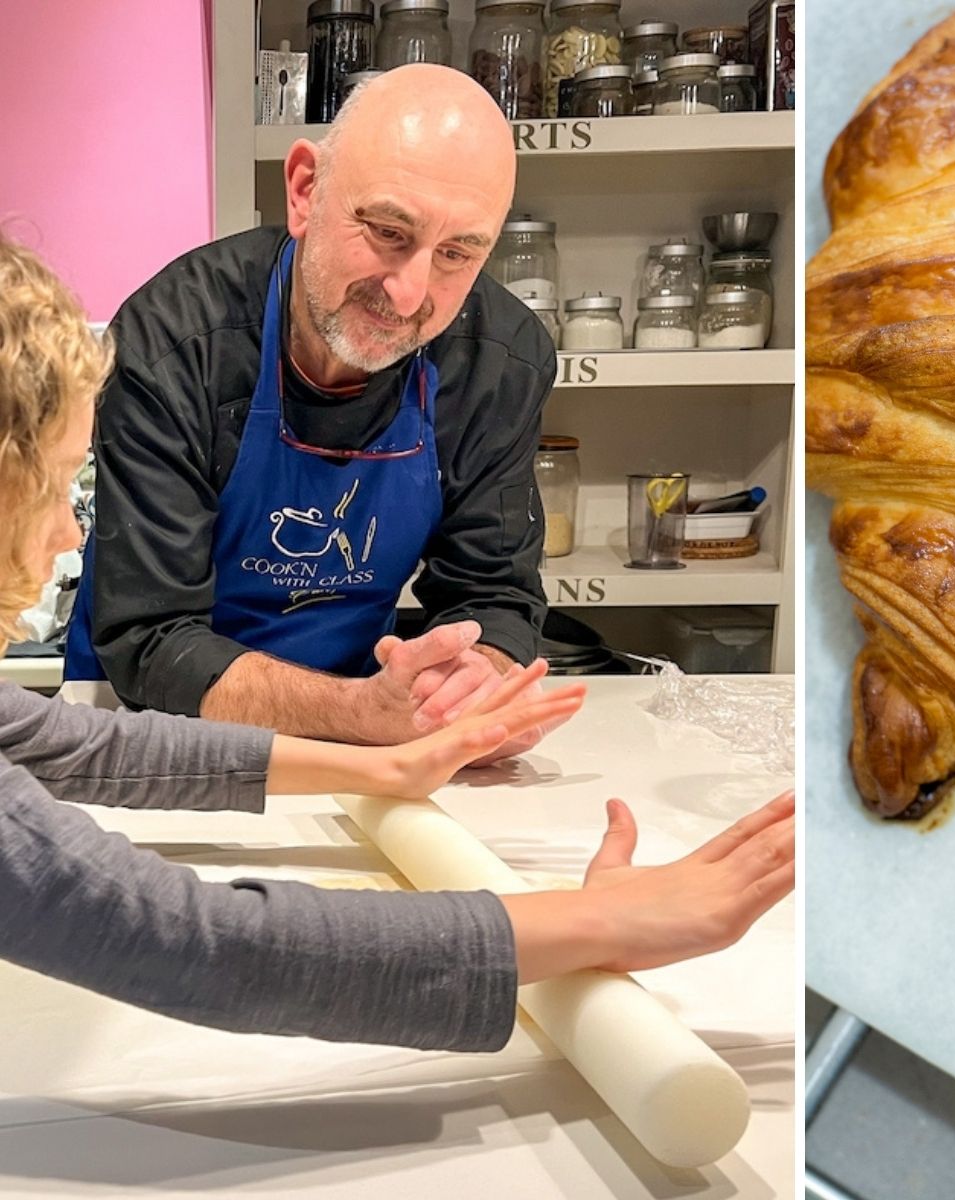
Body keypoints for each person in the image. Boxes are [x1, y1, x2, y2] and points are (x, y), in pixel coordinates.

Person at [0, 232, 796, 1048]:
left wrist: (381, 761)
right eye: (58, 485)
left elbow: (63, 742)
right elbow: (195, 944)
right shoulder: (183, 332)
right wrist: (593, 921)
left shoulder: (498, 358)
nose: (71, 534)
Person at [65, 64, 566, 756]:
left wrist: (471, 683)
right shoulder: (175, 340)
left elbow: (494, 593)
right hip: (156, 733)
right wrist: (359, 714)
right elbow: (152, 640)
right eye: (390, 231)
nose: (409, 292)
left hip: (363, 727)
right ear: (304, 191)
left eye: (457, 253)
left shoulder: (498, 360)